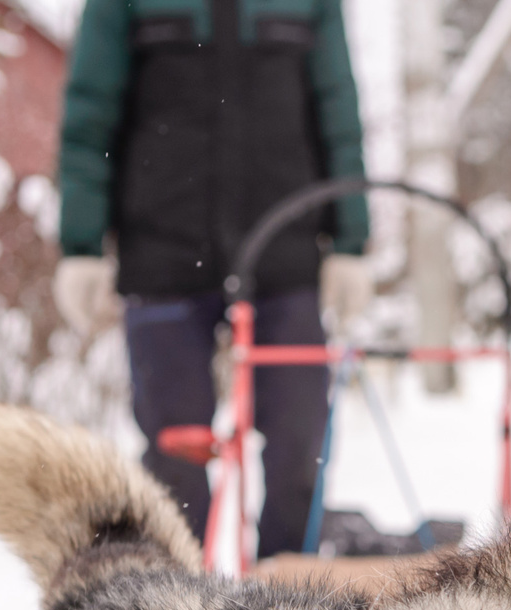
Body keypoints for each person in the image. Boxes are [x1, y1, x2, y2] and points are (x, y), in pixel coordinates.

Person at [52, 0, 372, 560]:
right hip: (163, 258)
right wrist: (81, 243)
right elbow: (91, 114)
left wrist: (350, 240)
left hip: (285, 257)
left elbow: (337, 108)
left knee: (302, 450)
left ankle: (285, 606)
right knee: (176, 460)